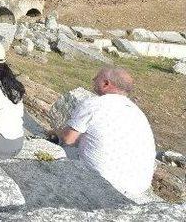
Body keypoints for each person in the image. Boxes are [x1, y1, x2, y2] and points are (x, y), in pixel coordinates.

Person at [54, 67, 155, 198]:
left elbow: (68, 139)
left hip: (103, 182)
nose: (93, 80)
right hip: (139, 186)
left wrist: (56, 132)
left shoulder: (94, 103)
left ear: (106, 84)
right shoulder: (136, 111)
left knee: (59, 150)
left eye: (97, 78)